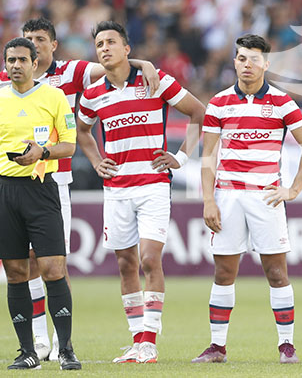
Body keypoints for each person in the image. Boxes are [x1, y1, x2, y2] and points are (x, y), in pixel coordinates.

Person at [0, 16, 160, 361]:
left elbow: (113, 65)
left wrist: (143, 63)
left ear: (52, 45)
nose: (34, 44)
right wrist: (0, 141)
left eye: (40, 39)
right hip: (15, 178)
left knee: (54, 264)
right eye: (28, 39)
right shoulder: (8, 79)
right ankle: (38, 341)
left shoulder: (71, 72)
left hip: (55, 178)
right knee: (23, 264)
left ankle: (61, 343)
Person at [76, 21, 205, 364]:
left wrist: (180, 157)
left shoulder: (153, 79)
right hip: (116, 188)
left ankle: (149, 342)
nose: (104, 48)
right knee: (125, 263)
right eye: (99, 43)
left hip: (153, 185)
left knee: (150, 258)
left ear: (126, 49)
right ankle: (136, 341)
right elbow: (83, 131)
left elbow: (198, 112)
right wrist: (96, 160)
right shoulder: (92, 94)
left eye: (111, 42)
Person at [192, 34, 302, 365]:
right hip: (228, 196)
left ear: (266, 63)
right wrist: (208, 200)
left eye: (252, 59)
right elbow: (207, 155)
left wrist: (292, 190)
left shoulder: (281, 102)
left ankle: (286, 345)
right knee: (224, 272)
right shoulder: (219, 102)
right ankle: (217, 347)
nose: (246, 64)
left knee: (276, 272)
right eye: (240, 58)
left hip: (266, 198)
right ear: (234, 62)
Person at [0, 37, 81, 370]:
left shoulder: (54, 96)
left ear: (35, 64)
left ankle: (66, 349)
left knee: (52, 268)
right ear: (4, 64)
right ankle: (28, 352)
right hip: (5, 192)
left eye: (21, 60)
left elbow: (70, 146)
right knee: (15, 272)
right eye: (10, 60)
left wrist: (42, 152)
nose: (15, 65)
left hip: (41, 188)